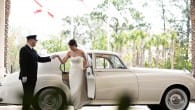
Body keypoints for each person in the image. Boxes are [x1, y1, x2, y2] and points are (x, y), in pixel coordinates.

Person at [19, 35, 57, 110]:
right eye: (35, 40)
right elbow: (22, 63)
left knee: (30, 94)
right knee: (27, 94)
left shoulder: (33, 51)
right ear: (30, 40)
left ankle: (27, 107)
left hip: (33, 77)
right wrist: (24, 75)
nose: (36, 42)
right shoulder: (24, 49)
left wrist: (50, 57)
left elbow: (39, 59)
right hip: (26, 77)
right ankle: (25, 108)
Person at [56, 39, 89, 110]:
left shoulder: (81, 52)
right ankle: (74, 105)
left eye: (71, 46)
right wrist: (58, 57)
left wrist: (84, 67)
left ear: (74, 45)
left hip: (80, 72)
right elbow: (63, 62)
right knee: (73, 88)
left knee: (78, 88)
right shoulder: (69, 53)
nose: (70, 48)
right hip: (72, 72)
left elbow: (86, 61)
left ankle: (78, 105)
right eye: (69, 47)